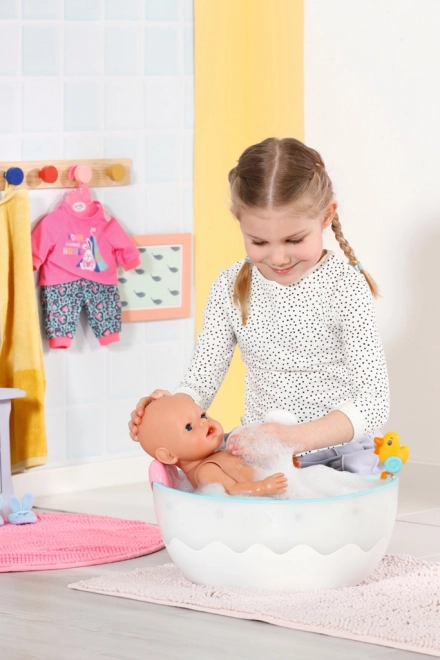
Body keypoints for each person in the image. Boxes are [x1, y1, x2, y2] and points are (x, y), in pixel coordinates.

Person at [129, 137, 389, 474]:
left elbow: (373, 404)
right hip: (261, 453)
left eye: (295, 240)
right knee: (213, 490)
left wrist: (292, 438)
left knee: (325, 517)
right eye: (259, 241)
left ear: (327, 216)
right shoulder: (229, 286)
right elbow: (201, 379)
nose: (278, 257)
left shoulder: (344, 287)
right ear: (239, 221)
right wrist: (170, 412)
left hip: (340, 453)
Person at [137, 393, 288, 496]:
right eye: (189, 427)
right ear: (169, 455)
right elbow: (234, 490)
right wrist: (264, 486)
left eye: (202, 415)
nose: (204, 421)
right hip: (264, 498)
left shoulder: (217, 453)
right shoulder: (206, 470)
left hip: (278, 486)